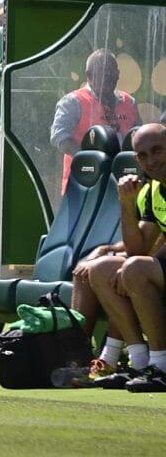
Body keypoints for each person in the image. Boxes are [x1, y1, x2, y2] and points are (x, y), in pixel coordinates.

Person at [72, 124, 166, 391]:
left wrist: (134, 268)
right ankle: (139, 362)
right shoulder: (152, 190)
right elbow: (138, 248)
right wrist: (125, 203)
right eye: (143, 155)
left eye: (157, 150)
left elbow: (143, 258)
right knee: (100, 270)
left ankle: (161, 366)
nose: (151, 160)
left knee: (134, 269)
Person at [50, 49, 140, 193]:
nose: (109, 77)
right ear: (89, 75)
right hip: (83, 185)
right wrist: (90, 161)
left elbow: (138, 138)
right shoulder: (73, 102)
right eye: (103, 72)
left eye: (112, 72)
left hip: (124, 184)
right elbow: (59, 137)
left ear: (118, 75)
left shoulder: (130, 102)